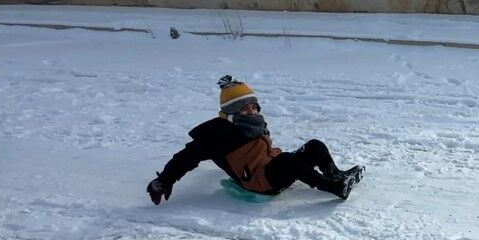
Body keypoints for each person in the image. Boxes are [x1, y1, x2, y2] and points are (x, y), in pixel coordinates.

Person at [146, 76, 363, 204]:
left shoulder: (255, 124)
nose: (251, 112)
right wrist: (164, 181)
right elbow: (186, 157)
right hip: (259, 182)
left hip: (271, 167)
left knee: (313, 145)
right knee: (288, 160)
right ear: (232, 113)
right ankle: (333, 187)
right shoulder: (218, 134)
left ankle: (336, 175)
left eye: (253, 107)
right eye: (244, 109)